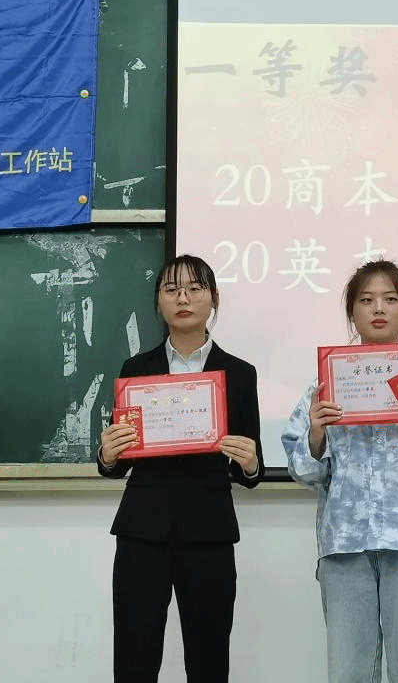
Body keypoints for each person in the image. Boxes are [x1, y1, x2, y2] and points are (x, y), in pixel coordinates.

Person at [281, 259, 398, 683]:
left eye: (391, 299)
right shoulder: (325, 385)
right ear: (352, 313)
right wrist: (316, 435)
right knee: (347, 673)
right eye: (366, 300)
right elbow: (302, 470)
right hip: (345, 546)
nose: (379, 308)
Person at [97, 254, 264, 683]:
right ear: (158, 302)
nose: (183, 298)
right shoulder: (136, 370)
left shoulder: (240, 373)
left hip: (209, 532)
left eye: (195, 288)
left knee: (209, 660)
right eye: (171, 290)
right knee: (134, 658)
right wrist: (108, 456)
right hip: (142, 530)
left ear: (214, 299)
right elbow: (119, 462)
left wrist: (249, 464)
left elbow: (251, 469)